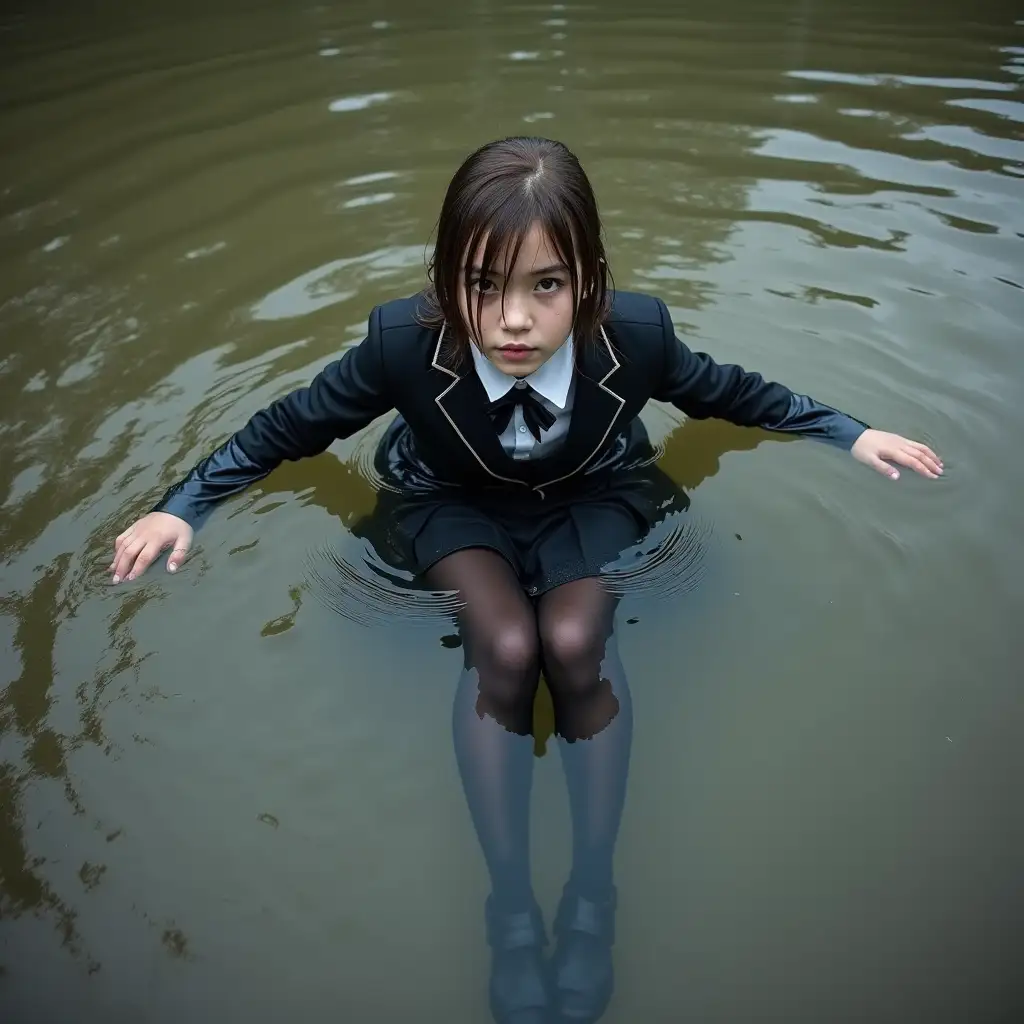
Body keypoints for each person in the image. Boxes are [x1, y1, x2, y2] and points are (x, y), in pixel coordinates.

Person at [108, 136, 942, 1024]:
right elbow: (288, 426)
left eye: (544, 285)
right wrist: (182, 506)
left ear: (587, 278)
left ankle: (592, 896)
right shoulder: (401, 343)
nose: (512, 320)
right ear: (445, 281)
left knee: (575, 640)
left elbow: (730, 392)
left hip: (598, 493)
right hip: (451, 502)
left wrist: (848, 432)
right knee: (506, 645)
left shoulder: (637, 335)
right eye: (482, 285)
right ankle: (510, 909)